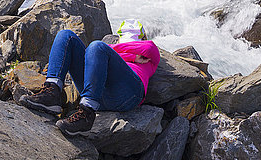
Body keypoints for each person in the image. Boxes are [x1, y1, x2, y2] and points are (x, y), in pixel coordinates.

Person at [19, 19, 160, 137]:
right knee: (65, 35)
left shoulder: (150, 51)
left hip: (127, 94)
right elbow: (92, 55)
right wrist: (132, 56)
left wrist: (117, 52)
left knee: (96, 46)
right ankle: (51, 93)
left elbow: (148, 49)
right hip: (97, 91)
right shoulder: (115, 50)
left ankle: (86, 114)